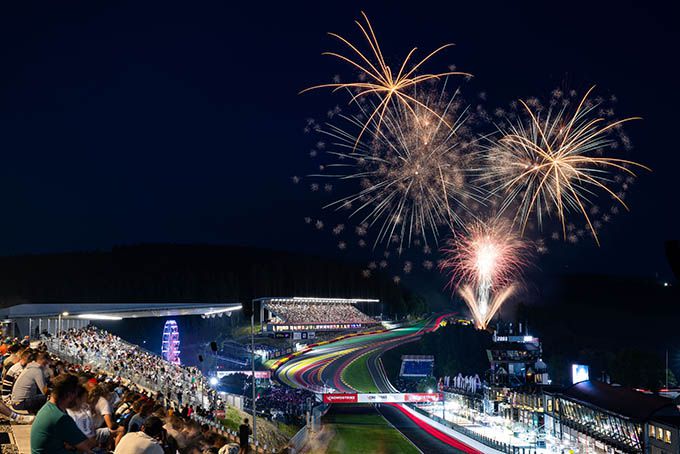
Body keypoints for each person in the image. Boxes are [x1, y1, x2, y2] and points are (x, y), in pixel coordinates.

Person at [30, 373, 96, 454]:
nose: (77, 398)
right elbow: (87, 446)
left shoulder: (49, 408)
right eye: (76, 394)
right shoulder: (60, 417)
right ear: (69, 395)